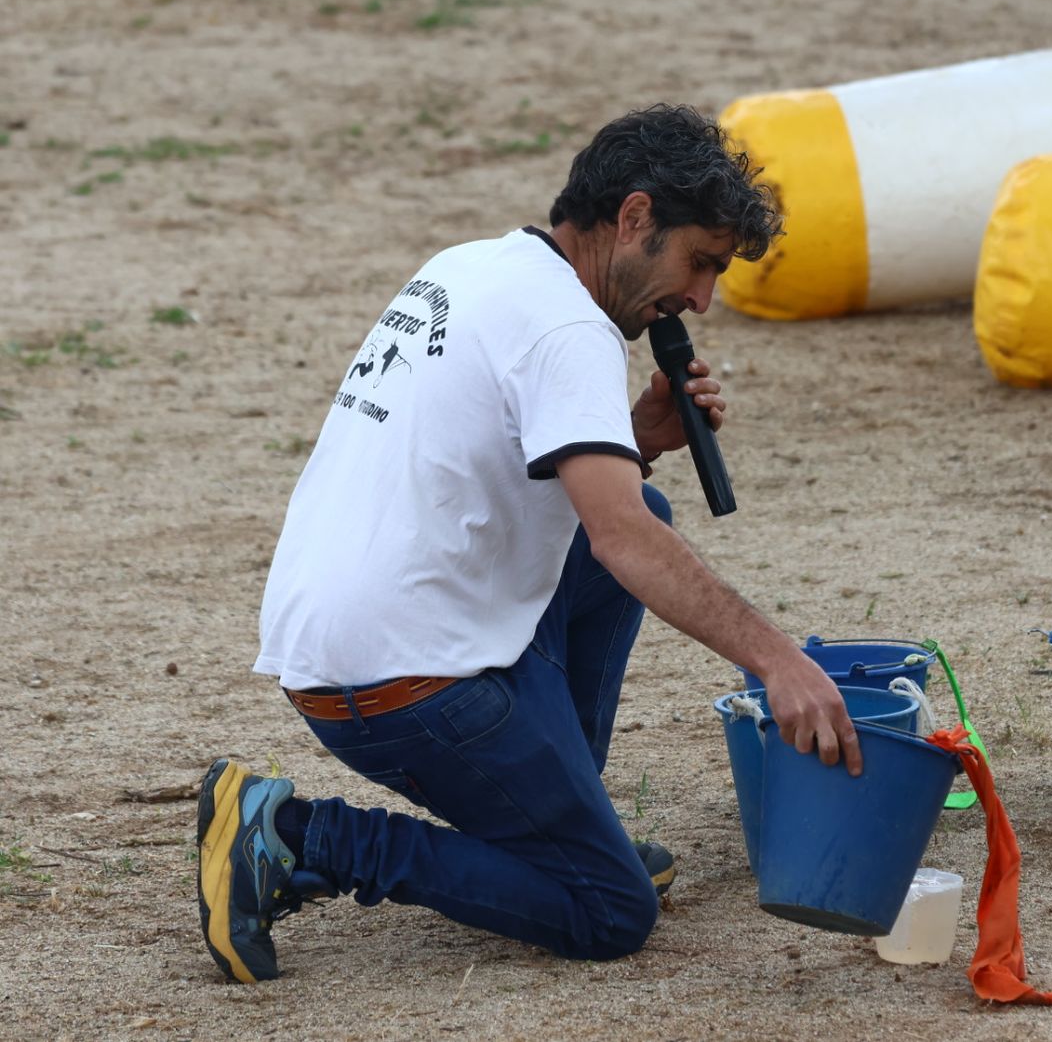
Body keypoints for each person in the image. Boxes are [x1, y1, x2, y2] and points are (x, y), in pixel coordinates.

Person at [196, 104, 865, 985]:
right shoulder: (569, 329)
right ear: (634, 217)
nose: (702, 299)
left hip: (339, 643)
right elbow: (621, 540)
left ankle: (558, 824)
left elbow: (517, 476)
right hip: (400, 686)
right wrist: (778, 660)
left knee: (642, 503)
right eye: (700, 262)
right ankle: (296, 836)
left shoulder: (471, 266)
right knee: (609, 908)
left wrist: (633, 437)